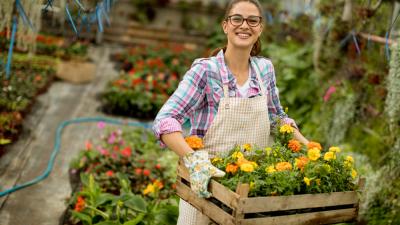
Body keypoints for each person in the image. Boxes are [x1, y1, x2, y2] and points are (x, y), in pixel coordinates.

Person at [153, 0, 309, 224]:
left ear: (260, 28)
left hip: (250, 191)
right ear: (225, 25)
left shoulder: (265, 70)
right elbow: (165, 120)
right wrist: (194, 160)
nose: (244, 25)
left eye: (252, 20)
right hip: (205, 188)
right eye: (237, 19)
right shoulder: (206, 71)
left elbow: (276, 118)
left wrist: (309, 147)